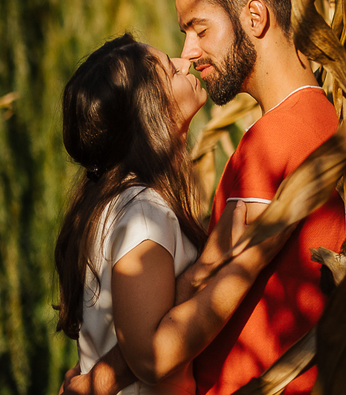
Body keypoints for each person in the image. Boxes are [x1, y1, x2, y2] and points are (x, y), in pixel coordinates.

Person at [66, 0, 346, 395]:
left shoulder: (274, 141)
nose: (189, 52)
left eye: (199, 29)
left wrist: (92, 384)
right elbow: (198, 285)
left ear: (254, 18)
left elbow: (196, 297)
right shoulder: (310, 120)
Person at [55, 35, 265, 395]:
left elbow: (148, 319)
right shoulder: (142, 212)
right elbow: (149, 358)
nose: (185, 62)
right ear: (149, 109)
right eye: (169, 69)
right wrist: (253, 257)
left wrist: (204, 268)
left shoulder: (116, 202)